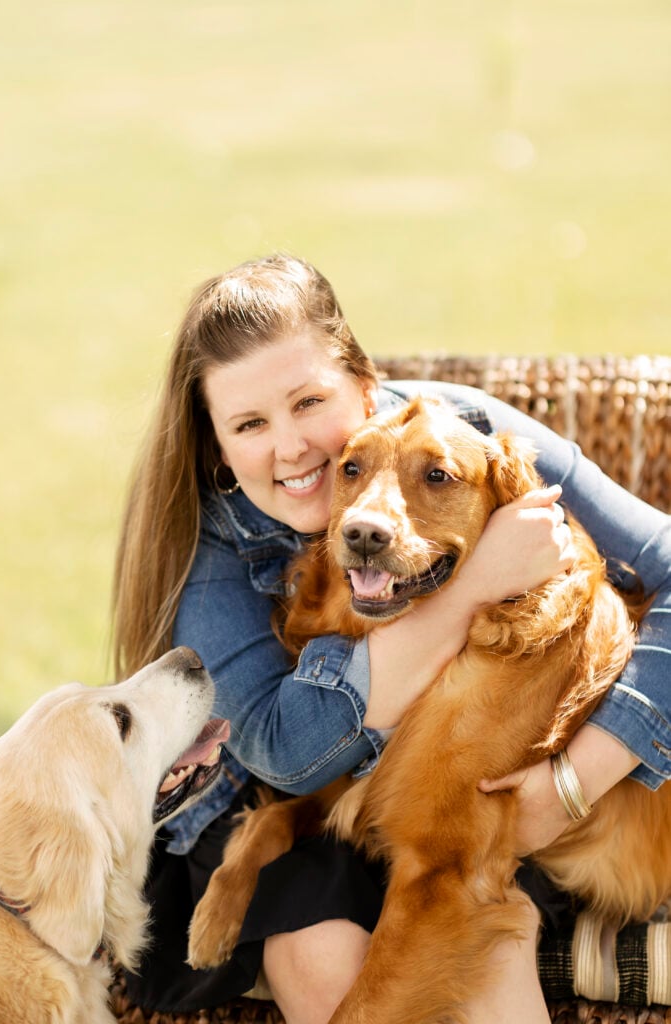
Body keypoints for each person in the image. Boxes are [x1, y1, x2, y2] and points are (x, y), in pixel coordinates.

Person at [113, 254, 671, 1024]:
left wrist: (574, 780)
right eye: (249, 424)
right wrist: (472, 588)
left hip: (450, 794)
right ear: (216, 444)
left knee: (487, 932)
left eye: (309, 402)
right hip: (279, 800)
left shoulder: (468, 437)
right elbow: (283, 752)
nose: (291, 448)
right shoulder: (208, 540)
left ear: (365, 387)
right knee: (315, 949)